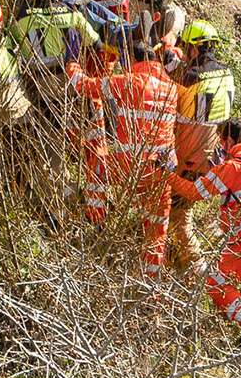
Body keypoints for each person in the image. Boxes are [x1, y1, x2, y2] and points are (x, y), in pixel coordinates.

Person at [169, 118, 241, 375]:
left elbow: (193, 192)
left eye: (220, 141)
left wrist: (166, 175)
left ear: (228, 140)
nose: (219, 146)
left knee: (215, 283)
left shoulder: (232, 167)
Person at [66, 27, 181, 273]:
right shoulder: (172, 89)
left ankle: (95, 219)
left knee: (97, 164)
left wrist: (72, 62)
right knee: (158, 224)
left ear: (132, 60)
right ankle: (151, 276)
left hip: (128, 165)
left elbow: (84, 86)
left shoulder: (131, 81)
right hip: (161, 171)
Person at [164, 22, 237, 278]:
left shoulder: (190, 77)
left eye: (186, 47)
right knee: (179, 209)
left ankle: (196, 267)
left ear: (194, 48)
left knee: (179, 213)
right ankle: (176, 257)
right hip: (213, 155)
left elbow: (170, 96)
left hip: (189, 156)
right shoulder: (227, 73)